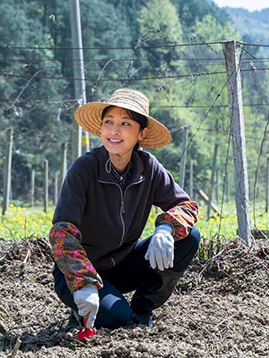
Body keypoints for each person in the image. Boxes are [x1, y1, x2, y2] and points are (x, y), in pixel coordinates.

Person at [49, 87, 200, 331]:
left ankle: (143, 309)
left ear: (142, 133)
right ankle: (88, 305)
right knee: (118, 318)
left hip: (122, 264)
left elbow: (185, 206)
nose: (114, 131)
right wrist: (83, 281)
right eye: (108, 122)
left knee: (189, 237)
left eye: (125, 124)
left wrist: (165, 228)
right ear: (101, 128)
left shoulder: (148, 167)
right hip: (78, 271)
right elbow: (62, 233)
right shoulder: (85, 168)